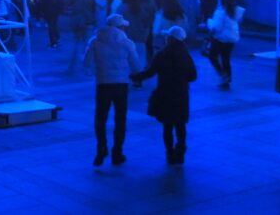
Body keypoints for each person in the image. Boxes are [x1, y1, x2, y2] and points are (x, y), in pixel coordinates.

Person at [131, 26, 198, 165]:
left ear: (170, 39)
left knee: (167, 126)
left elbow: (150, 72)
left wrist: (135, 76)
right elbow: (193, 76)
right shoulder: (186, 56)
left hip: (165, 93)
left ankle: (169, 153)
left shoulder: (162, 54)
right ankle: (180, 151)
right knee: (180, 125)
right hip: (181, 95)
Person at [84, 14, 139, 166]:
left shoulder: (95, 41)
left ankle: (101, 148)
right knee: (120, 119)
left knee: (100, 118)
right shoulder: (127, 43)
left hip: (103, 84)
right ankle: (117, 152)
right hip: (121, 84)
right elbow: (136, 66)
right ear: (120, 27)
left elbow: (86, 62)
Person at [207, 0, 244, 88]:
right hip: (232, 39)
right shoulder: (234, 10)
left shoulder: (220, 12)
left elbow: (216, 28)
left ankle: (223, 76)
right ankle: (227, 80)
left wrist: (209, 22)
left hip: (220, 39)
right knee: (226, 59)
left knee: (212, 56)